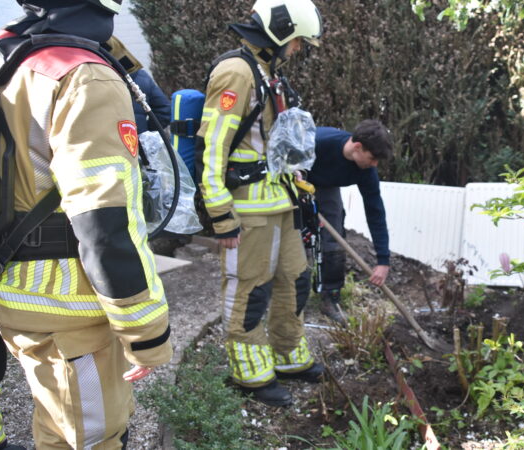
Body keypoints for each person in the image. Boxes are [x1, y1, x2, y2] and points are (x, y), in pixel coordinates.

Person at [0, 1, 173, 448]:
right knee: (85, 438)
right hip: (65, 310)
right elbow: (105, 224)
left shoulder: (0, 57)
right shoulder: (85, 76)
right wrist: (146, 333)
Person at [196, 0, 324, 407]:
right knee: (249, 289)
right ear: (280, 32)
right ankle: (248, 372)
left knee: (294, 279)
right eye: (299, 42)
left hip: (280, 202)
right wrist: (220, 215)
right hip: (247, 209)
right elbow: (212, 146)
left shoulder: (268, 71)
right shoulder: (236, 72)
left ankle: (287, 354)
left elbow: (272, 140)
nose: (299, 50)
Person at [307, 121, 393, 323]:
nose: (374, 165)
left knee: (334, 238)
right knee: (293, 239)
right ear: (357, 147)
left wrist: (383, 260)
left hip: (327, 186)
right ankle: (291, 298)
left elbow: (375, 211)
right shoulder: (317, 142)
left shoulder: (365, 171)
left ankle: (330, 298)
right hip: (296, 179)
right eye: (372, 158)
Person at [104, 35, 171, 134]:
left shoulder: (98, 78)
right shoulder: (142, 76)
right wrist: (146, 131)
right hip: (137, 143)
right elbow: (164, 111)